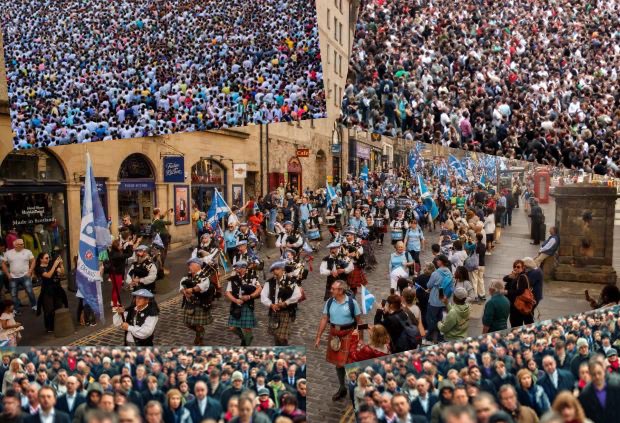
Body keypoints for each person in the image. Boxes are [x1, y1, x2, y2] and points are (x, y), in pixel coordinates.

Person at [315, 279, 362, 401]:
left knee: (350, 364)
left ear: (341, 290)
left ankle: (357, 388)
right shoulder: (330, 302)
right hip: (335, 334)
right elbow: (324, 318)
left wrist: (360, 338)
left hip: (349, 334)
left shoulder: (352, 303)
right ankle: (342, 388)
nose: (331, 290)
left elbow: (360, 322)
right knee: (339, 365)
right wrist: (318, 336)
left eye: (333, 289)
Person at [261, 260, 302, 346]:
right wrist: (271, 305)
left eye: (277, 269)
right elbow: (263, 296)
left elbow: (297, 294)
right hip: (274, 311)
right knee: (276, 336)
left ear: (282, 269)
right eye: (273, 270)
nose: (275, 271)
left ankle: (284, 352)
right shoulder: (269, 282)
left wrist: (286, 303)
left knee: (282, 337)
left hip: (286, 312)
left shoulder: (290, 281)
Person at [179, 258, 217, 345]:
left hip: (200, 303)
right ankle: (199, 333)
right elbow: (181, 286)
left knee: (199, 325)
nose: (189, 267)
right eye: (189, 265)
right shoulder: (186, 276)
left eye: (191, 265)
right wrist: (184, 292)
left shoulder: (204, 277)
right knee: (188, 323)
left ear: (198, 265)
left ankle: (200, 337)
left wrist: (192, 290)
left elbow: (202, 287)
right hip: (189, 303)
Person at [226, 260, 262, 346]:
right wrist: (235, 300)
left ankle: (247, 343)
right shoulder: (233, 278)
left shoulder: (252, 277)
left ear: (243, 268)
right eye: (236, 267)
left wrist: (250, 296)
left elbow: (259, 288)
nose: (235, 269)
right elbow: (227, 292)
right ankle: (244, 338)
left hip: (247, 305)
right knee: (232, 327)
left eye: (237, 267)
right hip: (236, 304)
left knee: (247, 328)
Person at [578, 356, 620, 422]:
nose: (597, 377)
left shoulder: (616, 385)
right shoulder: (586, 393)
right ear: (590, 375)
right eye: (594, 374)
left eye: (599, 373)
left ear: (604, 371)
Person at [34, 252, 68, 333]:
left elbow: (62, 273)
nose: (48, 259)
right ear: (41, 259)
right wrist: (54, 265)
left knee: (58, 307)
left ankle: (58, 324)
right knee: (49, 310)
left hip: (57, 289)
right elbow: (48, 275)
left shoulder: (51, 264)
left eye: (48, 257)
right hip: (47, 290)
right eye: (46, 258)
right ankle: (49, 327)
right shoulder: (39, 268)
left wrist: (61, 265)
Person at [1, 239, 36, 313]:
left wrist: (30, 271)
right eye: (19, 244)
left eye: (22, 244)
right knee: (13, 295)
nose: (21, 245)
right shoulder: (8, 253)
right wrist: (7, 274)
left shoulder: (27, 252)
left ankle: (34, 305)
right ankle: (16, 309)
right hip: (13, 277)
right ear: (14, 245)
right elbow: (3, 264)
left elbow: (33, 261)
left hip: (25, 276)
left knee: (30, 292)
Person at [426, 255, 452, 343]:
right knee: (442, 319)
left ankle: (430, 335)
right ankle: (441, 336)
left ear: (441, 262)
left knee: (431, 318)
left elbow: (428, 285)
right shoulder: (449, 271)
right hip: (444, 299)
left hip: (435, 300)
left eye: (438, 260)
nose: (436, 262)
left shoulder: (435, 273)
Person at [504, 260, 535, 327]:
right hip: (515, 304)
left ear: (523, 267)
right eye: (514, 266)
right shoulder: (515, 275)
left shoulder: (522, 277)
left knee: (516, 323)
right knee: (515, 322)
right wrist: (511, 276)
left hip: (518, 304)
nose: (516, 268)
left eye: (518, 267)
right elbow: (504, 279)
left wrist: (507, 292)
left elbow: (519, 292)